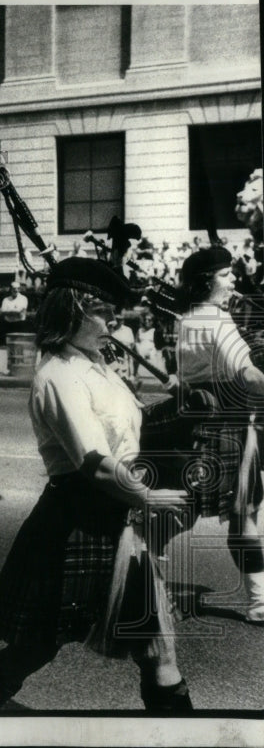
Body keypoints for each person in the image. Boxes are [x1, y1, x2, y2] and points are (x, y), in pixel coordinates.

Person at [0, 257, 192, 711]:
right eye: (104, 312)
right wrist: (149, 496)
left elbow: (132, 431)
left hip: (120, 522)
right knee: (35, 648)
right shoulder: (59, 377)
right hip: (74, 523)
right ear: (74, 310)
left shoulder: (99, 367)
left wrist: (182, 404)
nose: (113, 322)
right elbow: (96, 463)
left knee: (159, 650)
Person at [175, 246, 264, 624]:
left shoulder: (188, 319)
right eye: (226, 275)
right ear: (207, 281)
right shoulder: (217, 319)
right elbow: (246, 374)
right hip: (231, 425)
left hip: (202, 426)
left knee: (209, 512)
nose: (232, 281)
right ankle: (260, 603)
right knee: (242, 516)